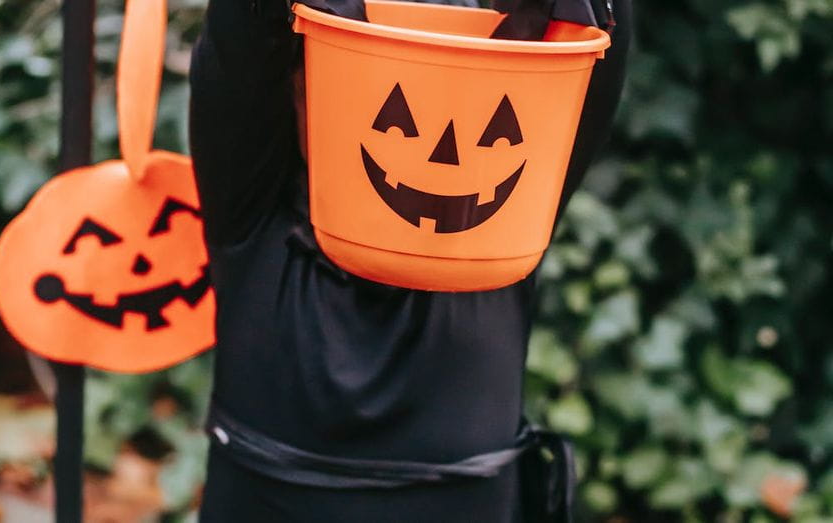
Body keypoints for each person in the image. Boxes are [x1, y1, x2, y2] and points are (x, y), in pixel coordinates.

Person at [188, 0, 631, 521]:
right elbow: (239, 43)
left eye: (463, 112)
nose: (441, 155)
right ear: (297, 94)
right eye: (391, 112)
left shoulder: (497, 241)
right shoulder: (255, 222)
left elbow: (590, 53)